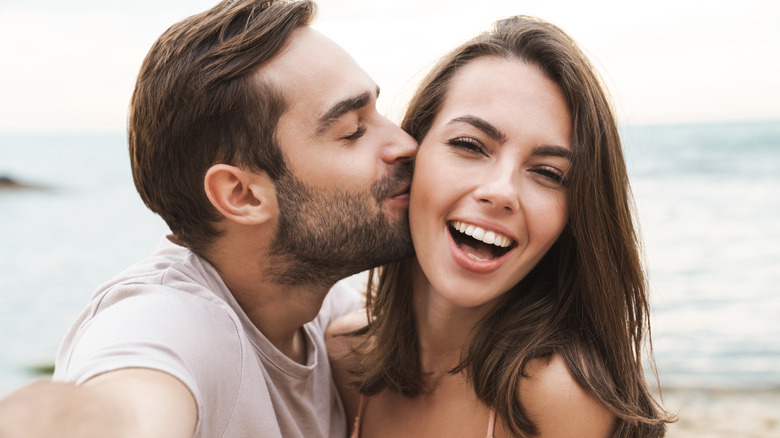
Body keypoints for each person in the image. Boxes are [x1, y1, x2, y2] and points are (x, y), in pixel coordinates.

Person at [0, 0, 416, 437]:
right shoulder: (170, 324)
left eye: (377, 112)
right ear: (242, 194)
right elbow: (121, 409)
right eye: (353, 130)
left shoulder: (315, 309)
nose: (405, 143)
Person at [328, 15, 672, 438]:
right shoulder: (343, 355)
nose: (501, 191)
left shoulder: (556, 397)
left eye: (548, 172)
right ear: (412, 151)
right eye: (470, 145)